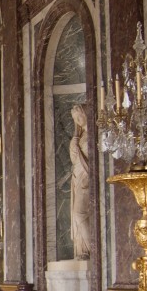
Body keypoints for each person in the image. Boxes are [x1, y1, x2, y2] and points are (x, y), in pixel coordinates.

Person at [69, 104, 91, 260]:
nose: (78, 120)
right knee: (77, 215)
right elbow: (74, 159)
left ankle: (92, 249)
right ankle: (83, 250)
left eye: (80, 116)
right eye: (76, 119)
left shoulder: (92, 135)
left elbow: (91, 160)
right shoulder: (80, 136)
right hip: (77, 177)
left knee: (79, 213)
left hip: (86, 177)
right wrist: (73, 145)